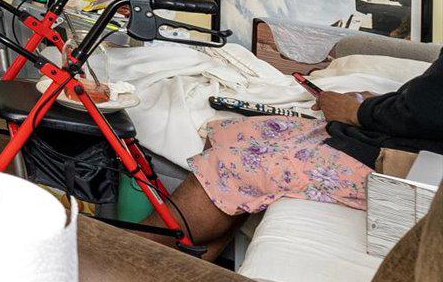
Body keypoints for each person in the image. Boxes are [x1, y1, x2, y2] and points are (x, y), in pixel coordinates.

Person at [171, 53, 443, 250]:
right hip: (398, 137)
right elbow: (428, 99)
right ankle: (188, 273)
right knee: (230, 131)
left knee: (229, 165)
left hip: (409, 163)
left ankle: (133, 258)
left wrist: (357, 111)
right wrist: (383, 103)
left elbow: (426, 111)